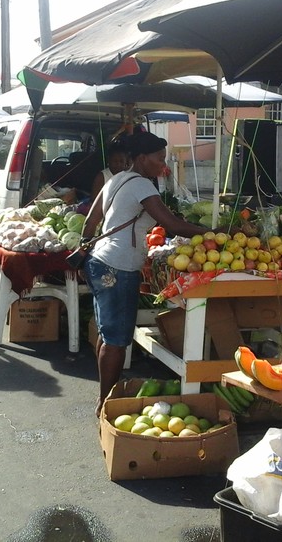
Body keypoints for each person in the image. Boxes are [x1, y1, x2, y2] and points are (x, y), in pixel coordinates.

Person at [82, 131, 211, 417]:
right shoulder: (141, 185)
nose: (162, 164)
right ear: (142, 158)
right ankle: (105, 403)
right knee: (116, 341)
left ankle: (106, 394)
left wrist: (83, 253)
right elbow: (171, 224)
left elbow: (90, 222)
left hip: (100, 261)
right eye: (158, 158)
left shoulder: (114, 179)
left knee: (108, 334)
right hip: (118, 267)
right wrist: (213, 232)